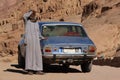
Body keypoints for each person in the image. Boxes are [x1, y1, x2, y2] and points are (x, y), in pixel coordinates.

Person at [23, 10, 44, 75]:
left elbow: (38, 32)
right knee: (30, 55)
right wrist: (30, 12)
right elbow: (24, 16)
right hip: (29, 40)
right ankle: (30, 70)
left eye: (34, 14)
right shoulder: (27, 21)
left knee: (37, 55)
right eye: (32, 14)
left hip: (36, 40)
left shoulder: (36, 22)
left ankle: (38, 70)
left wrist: (42, 37)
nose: (33, 15)